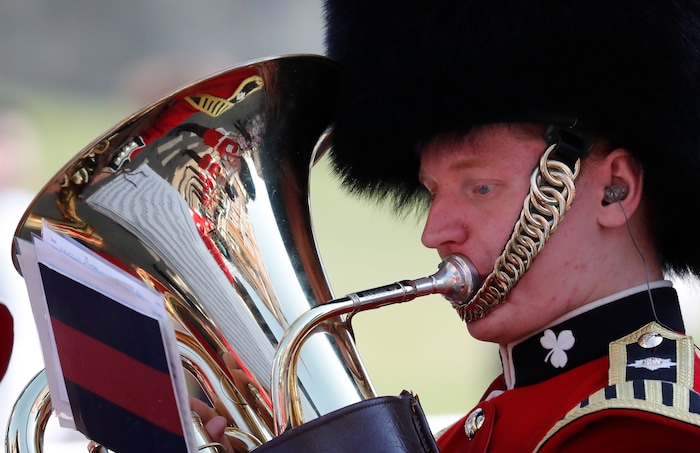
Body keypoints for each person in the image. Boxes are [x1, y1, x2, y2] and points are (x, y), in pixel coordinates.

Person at [199, 1, 700, 451]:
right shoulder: (484, 427)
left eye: (480, 187)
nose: (433, 232)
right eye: (432, 191)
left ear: (614, 191)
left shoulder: (643, 428)